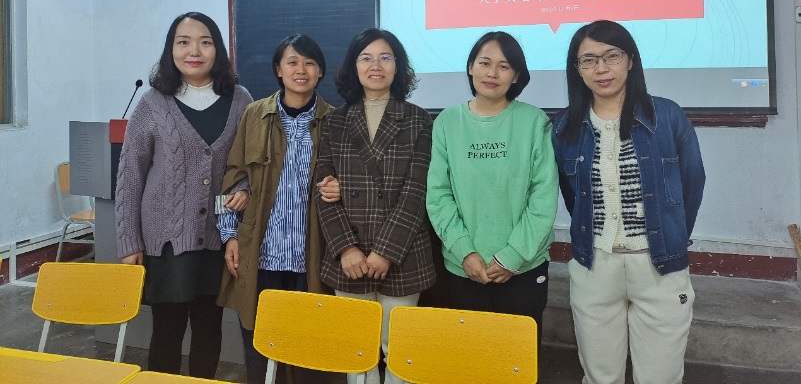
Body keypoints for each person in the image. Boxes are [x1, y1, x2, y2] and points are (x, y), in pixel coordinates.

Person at [552, 20, 705, 384]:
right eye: (588, 60)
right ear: (577, 69)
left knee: (660, 377)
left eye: (612, 56)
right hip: (595, 264)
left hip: (658, 265)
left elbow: (692, 183)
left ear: (631, 60)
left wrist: (671, 236)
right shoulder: (565, 126)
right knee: (600, 376)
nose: (601, 68)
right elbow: (573, 196)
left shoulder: (666, 116)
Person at [115, 11, 253, 378]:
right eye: (184, 42)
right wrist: (129, 241)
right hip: (165, 241)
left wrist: (241, 190)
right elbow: (130, 175)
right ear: (171, 49)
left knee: (209, 329)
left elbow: (246, 166)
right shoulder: (152, 103)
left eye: (205, 42)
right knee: (167, 330)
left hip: (217, 239)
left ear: (217, 49)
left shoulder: (240, 100)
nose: (194, 51)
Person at [216, 34, 342, 384]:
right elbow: (231, 178)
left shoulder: (335, 122)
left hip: (311, 257)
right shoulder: (254, 115)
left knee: (309, 351)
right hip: (261, 253)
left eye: (309, 63)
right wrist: (229, 236)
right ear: (278, 69)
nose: (301, 70)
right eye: (292, 62)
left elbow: (348, 184)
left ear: (320, 71)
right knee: (260, 347)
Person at [426, 31, 558, 357]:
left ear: (516, 76)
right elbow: (438, 195)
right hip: (463, 267)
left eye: (504, 66)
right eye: (484, 63)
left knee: (515, 362)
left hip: (523, 267)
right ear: (471, 67)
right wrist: (464, 252)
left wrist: (512, 256)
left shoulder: (534, 122)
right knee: (472, 360)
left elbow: (543, 197)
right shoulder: (447, 122)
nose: (492, 73)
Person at [316, 28, 436, 384]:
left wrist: (385, 252)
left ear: (398, 66)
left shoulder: (418, 119)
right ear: (354, 66)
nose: (376, 66)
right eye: (366, 58)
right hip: (348, 256)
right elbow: (323, 189)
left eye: (385, 58)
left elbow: (417, 191)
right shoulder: (335, 121)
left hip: (402, 252)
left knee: (399, 351)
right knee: (356, 350)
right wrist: (346, 248)